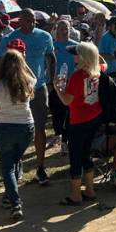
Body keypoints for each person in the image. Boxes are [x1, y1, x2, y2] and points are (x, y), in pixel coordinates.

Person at [0, 8, 56, 186]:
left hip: (38, 88)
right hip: (16, 89)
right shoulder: (9, 38)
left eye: (33, 21)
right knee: (18, 128)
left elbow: (51, 58)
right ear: (20, 20)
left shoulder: (44, 36)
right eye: (27, 20)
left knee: (39, 127)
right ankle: (17, 162)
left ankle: (40, 166)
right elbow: (0, 61)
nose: (31, 24)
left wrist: (51, 81)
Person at [0, 43, 35, 219]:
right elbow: (35, 77)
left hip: (5, 127)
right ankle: (9, 195)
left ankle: (15, 202)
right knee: (16, 161)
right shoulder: (28, 81)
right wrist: (23, 62)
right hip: (26, 126)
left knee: (8, 166)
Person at [54, 42, 105, 205]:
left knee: (76, 157)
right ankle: (90, 190)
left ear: (83, 57)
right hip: (94, 117)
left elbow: (67, 101)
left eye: (76, 53)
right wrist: (94, 55)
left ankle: (76, 195)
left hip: (79, 120)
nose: (73, 56)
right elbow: (104, 62)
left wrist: (57, 88)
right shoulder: (97, 71)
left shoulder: (77, 76)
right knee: (86, 155)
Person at [50, 19, 79, 153]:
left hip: (70, 84)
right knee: (57, 113)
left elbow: (80, 64)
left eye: (66, 27)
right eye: (61, 27)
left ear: (70, 28)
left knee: (69, 113)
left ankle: (65, 141)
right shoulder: (51, 46)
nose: (63, 30)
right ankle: (57, 134)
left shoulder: (75, 46)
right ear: (56, 29)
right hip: (55, 83)